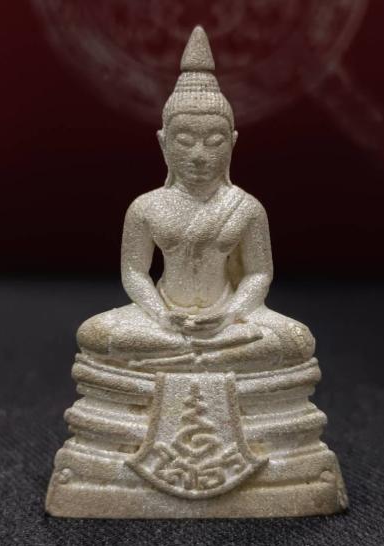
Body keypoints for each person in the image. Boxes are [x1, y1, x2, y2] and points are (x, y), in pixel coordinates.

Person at [77, 26, 314, 373]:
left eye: (214, 141)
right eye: (185, 141)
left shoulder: (246, 208)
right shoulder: (146, 207)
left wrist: (230, 315)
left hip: (227, 319)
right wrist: (161, 314)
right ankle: (207, 357)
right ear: (163, 143)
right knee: (94, 334)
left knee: (297, 339)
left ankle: (189, 357)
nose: (199, 155)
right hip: (163, 318)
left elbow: (259, 274)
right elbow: (134, 271)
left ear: (232, 142)